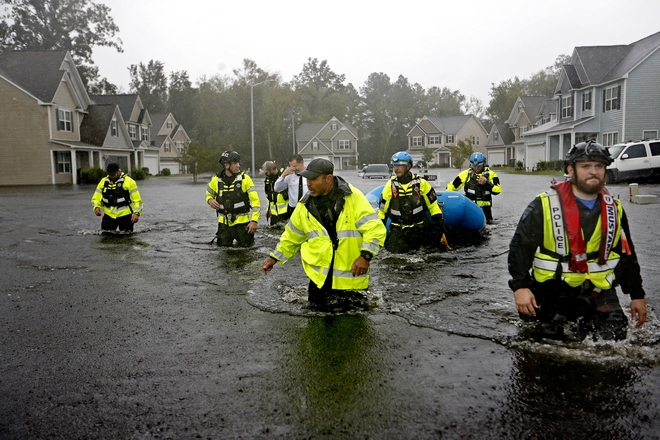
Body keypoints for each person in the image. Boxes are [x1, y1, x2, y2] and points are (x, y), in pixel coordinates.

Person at [508, 140, 647, 341]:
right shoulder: (543, 205)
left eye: (599, 166)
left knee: (614, 337)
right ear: (570, 170)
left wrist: (637, 295)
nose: (593, 171)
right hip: (552, 291)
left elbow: (627, 255)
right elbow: (520, 248)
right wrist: (521, 288)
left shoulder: (614, 209)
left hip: (598, 291)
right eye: (585, 166)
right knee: (546, 343)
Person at [261, 158, 387, 308]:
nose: (309, 184)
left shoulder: (353, 197)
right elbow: (291, 236)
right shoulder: (304, 205)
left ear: (328, 179)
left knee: (353, 327)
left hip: (351, 280)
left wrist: (365, 256)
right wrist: (274, 257)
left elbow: (375, 228)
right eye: (307, 179)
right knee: (315, 326)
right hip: (319, 280)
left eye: (314, 179)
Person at [378, 151, 446, 253]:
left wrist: (440, 225)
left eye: (400, 165)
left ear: (408, 166)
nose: (396, 169)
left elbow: (433, 207)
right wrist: (379, 230)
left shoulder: (421, 184)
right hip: (398, 231)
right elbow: (382, 211)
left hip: (419, 229)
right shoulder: (390, 185)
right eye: (394, 165)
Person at [206, 150, 261, 247]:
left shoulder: (245, 179)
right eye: (235, 163)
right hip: (224, 225)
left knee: (247, 251)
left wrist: (254, 221)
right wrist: (210, 200)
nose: (238, 165)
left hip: (243, 224)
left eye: (239, 162)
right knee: (223, 251)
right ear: (226, 165)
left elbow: (255, 201)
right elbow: (208, 194)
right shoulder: (216, 180)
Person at [446, 152, 501, 224]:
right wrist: (447, 197)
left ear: (483, 164)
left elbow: (498, 190)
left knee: (489, 225)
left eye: (479, 166)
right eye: (474, 166)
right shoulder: (466, 174)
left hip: (485, 209)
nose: (476, 168)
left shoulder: (491, 174)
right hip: (471, 207)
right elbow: (452, 186)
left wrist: (487, 183)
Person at [91, 162, 143, 233]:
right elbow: (96, 197)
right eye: (110, 174)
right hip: (109, 216)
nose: (112, 176)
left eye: (113, 174)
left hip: (125, 216)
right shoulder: (103, 182)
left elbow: (137, 200)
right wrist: (96, 207)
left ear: (118, 171)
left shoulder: (129, 182)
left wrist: (136, 213)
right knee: (105, 238)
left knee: (127, 238)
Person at [273, 154, 307, 220]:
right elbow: (277, 189)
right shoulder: (289, 176)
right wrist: (283, 175)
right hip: (293, 209)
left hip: (307, 208)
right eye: (291, 167)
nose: (293, 169)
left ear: (302, 163)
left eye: (295, 166)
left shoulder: (310, 175)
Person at [260, 161, 289, 226]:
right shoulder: (267, 181)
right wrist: (268, 210)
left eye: (266, 172)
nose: (266, 174)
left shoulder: (284, 177)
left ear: (271, 170)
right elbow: (268, 197)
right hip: (274, 215)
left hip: (286, 213)